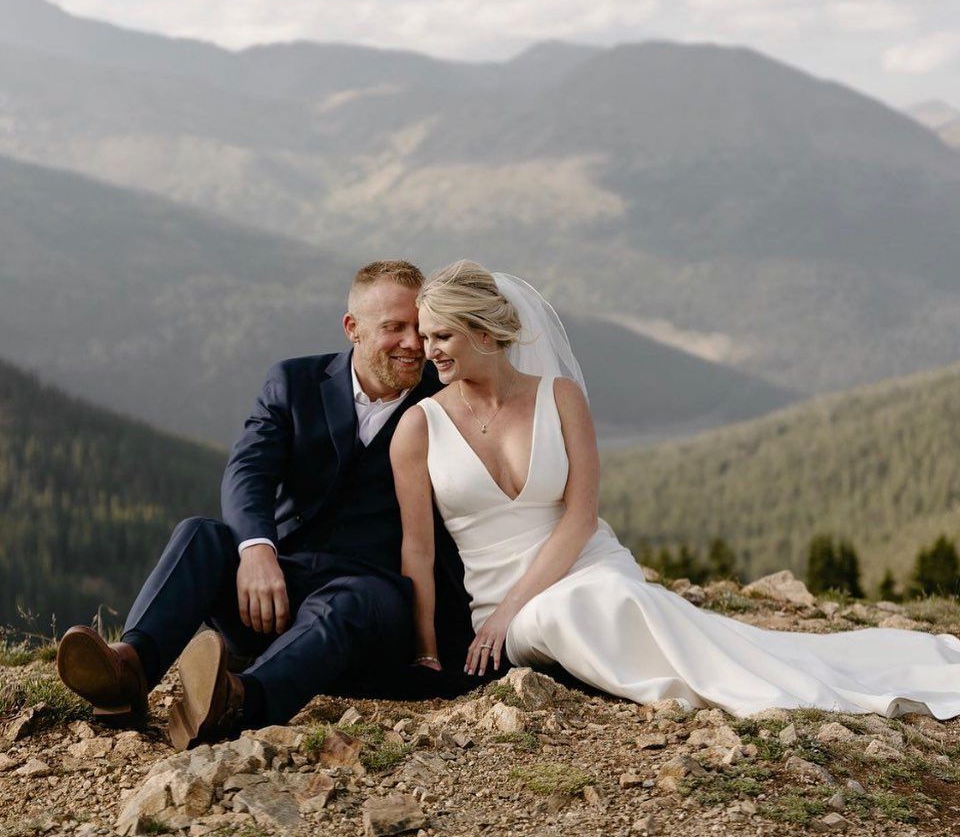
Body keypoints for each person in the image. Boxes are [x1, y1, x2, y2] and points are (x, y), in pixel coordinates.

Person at [391, 260, 960, 718]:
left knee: (600, 597)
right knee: (575, 612)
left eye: (443, 335)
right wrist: (427, 650)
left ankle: (775, 685)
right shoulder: (420, 427)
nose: (429, 350)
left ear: (485, 332)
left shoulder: (560, 397)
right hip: (504, 602)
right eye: (425, 335)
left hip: (586, 566)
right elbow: (417, 548)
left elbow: (581, 518)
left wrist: (506, 615)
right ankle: (736, 671)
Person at [56, 259, 475, 749]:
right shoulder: (294, 382)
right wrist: (257, 551)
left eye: (418, 330)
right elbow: (248, 470)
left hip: (372, 601)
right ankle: (129, 669)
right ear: (353, 329)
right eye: (394, 328)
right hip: (275, 593)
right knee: (200, 533)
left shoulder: (446, 400)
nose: (412, 343)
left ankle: (239, 700)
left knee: (346, 601)